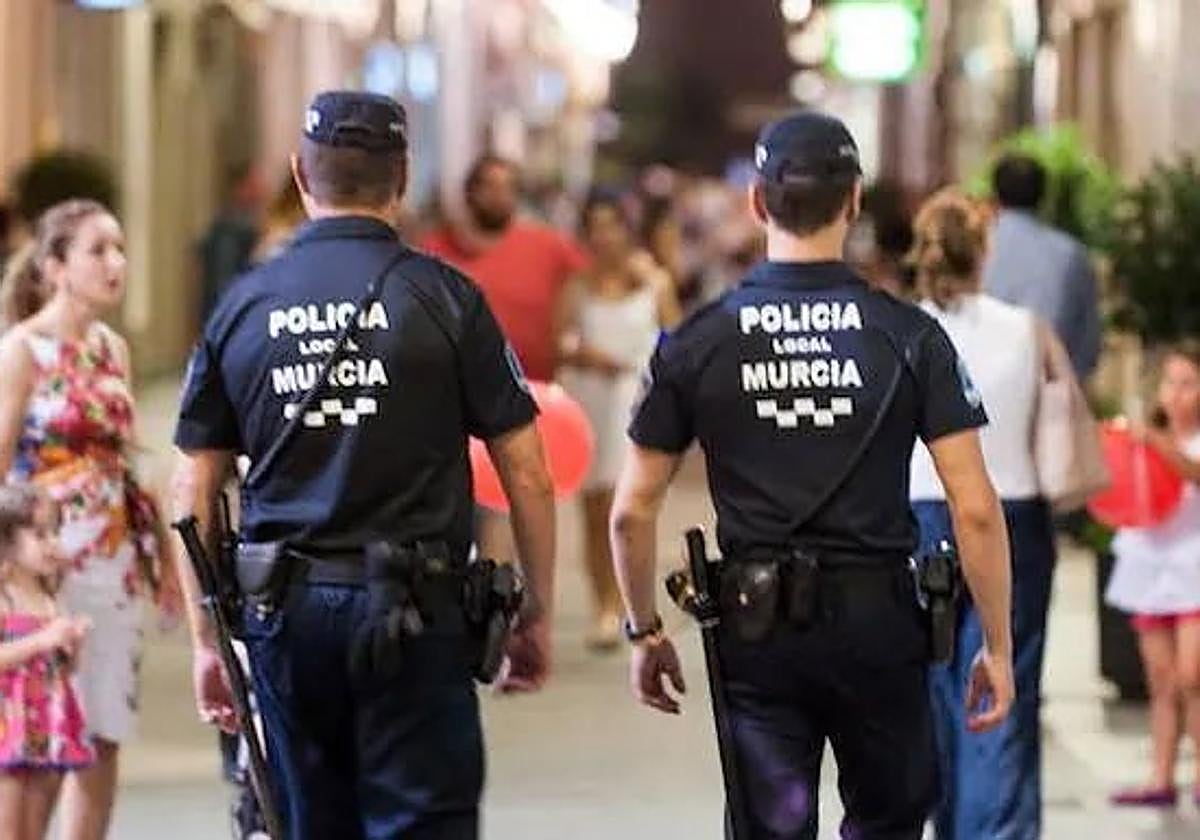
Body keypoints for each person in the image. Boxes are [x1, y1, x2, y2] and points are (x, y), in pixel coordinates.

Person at [610, 111, 1015, 839]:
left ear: (758, 203)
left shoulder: (700, 339)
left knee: (771, 824)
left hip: (755, 625)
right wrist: (998, 645)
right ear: (854, 200)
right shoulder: (911, 335)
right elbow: (975, 508)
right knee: (890, 818)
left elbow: (632, 508)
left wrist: (643, 630)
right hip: (880, 621)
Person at [171, 90, 557, 839]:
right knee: (426, 821)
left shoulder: (245, 304)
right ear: (402, 176)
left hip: (288, 612)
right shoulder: (446, 298)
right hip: (419, 610)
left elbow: (192, 487)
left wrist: (204, 639)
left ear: (300, 173)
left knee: (312, 820)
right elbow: (529, 471)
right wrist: (533, 610)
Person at [0, 199, 172, 840]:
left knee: (102, 737)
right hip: (43, 570)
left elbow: (124, 461)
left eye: (119, 248)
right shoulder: (22, 352)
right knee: (41, 748)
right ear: (55, 266)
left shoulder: (112, 350)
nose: (116, 263)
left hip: (113, 563)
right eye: (98, 250)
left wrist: (161, 561)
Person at [907, 190, 1056, 838]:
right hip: (1012, 513)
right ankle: (995, 830)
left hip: (917, 518)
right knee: (1003, 682)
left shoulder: (900, 330)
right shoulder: (1025, 329)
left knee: (931, 689)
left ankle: (943, 823)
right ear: (984, 251)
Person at [421, 155, 587, 566]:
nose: (501, 196)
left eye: (509, 187)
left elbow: (578, 287)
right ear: (470, 193)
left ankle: (502, 601)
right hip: (451, 404)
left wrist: (567, 341)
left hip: (526, 401)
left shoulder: (547, 246)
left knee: (506, 506)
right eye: (491, 187)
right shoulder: (433, 251)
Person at [559, 191, 680, 650]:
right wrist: (583, 354)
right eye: (596, 226)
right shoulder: (576, 286)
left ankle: (629, 602)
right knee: (594, 507)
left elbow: (677, 340)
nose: (605, 235)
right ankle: (602, 603)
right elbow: (562, 340)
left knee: (626, 503)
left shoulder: (653, 281)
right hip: (590, 396)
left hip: (636, 401)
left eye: (613, 224)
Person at [1105, 342, 1200, 808]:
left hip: (1194, 569)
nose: (1178, 394)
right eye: (1171, 383)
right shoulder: (1140, 439)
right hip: (1151, 567)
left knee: (1193, 675)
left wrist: (1157, 443)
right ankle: (1160, 777)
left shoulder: (1180, 443)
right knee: (1160, 679)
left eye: (1188, 384)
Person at [0, 484, 94, 840]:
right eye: (39, 534)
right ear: (7, 539)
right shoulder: (5, 596)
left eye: (55, 531)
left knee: (34, 827)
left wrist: (71, 647)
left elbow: (64, 669)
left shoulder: (50, 597)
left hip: (44, 724)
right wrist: (41, 640)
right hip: (9, 724)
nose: (51, 542)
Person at [981, 154, 1102, 379]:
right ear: (1043, 198)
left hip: (981, 395)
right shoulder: (1072, 255)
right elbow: (1088, 346)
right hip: (1050, 390)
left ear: (994, 196)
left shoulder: (975, 250)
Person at [197, 163, 265, 322]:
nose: (260, 190)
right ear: (239, 188)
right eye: (252, 185)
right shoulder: (231, 232)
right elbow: (222, 282)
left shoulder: (250, 226)